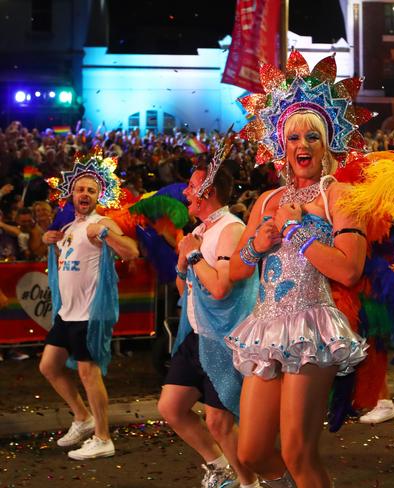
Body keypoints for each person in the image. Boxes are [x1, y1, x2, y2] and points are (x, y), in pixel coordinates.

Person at [226, 51, 369, 488]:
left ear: (328, 144)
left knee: (297, 450)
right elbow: (236, 271)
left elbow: (349, 270)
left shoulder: (340, 197)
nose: (302, 146)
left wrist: (297, 231)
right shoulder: (266, 201)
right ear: (279, 145)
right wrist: (257, 244)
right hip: (266, 327)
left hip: (313, 326)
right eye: (293, 138)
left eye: (312, 136)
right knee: (249, 452)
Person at [157, 163, 260, 488]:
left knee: (219, 421)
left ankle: (249, 483)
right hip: (197, 335)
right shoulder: (200, 232)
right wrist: (183, 260)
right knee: (172, 407)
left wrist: (195, 255)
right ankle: (219, 467)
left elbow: (219, 288)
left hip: (224, 339)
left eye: (191, 185)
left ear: (208, 192)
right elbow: (184, 289)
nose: (186, 192)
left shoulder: (230, 228)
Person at [40, 152, 138, 460]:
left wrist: (108, 235)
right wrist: (48, 239)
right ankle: (83, 418)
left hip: (87, 316)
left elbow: (131, 252)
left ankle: (103, 437)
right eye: (81, 189)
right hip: (66, 314)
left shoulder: (100, 223)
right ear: (72, 193)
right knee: (49, 366)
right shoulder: (70, 227)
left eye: (91, 191)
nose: (85, 194)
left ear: (99, 196)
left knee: (88, 374)